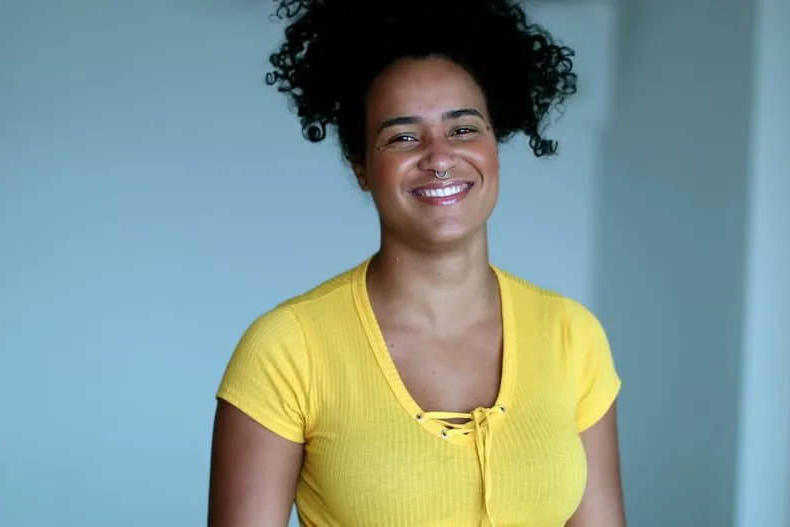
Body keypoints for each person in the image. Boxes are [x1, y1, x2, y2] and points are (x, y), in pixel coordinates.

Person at [208, 0, 626, 525]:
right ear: (360, 166)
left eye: (464, 128)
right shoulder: (288, 348)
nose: (439, 155)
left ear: (496, 143)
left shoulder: (573, 337)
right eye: (403, 136)